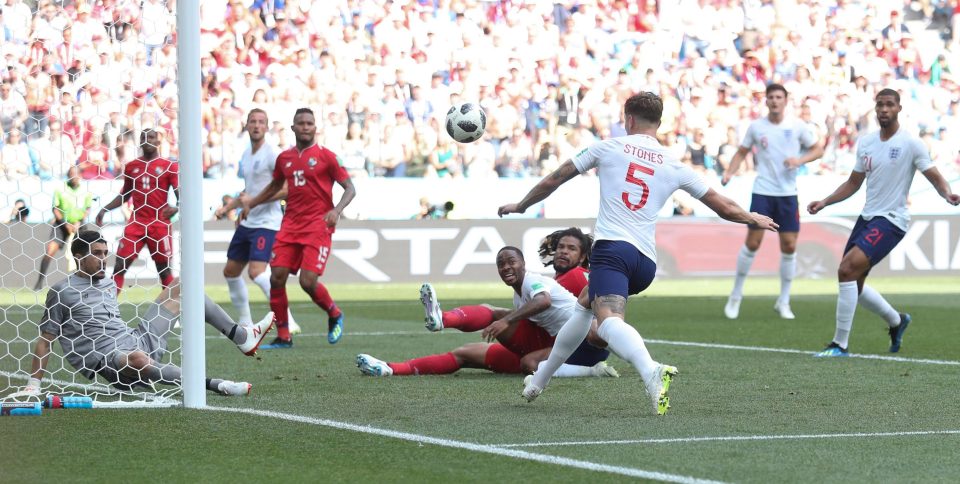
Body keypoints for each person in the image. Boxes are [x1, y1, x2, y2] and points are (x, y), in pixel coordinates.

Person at [499, 92, 777, 415]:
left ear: (628, 119)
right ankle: (539, 381)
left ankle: (651, 370)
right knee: (583, 306)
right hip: (644, 263)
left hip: (611, 252)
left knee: (606, 323)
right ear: (659, 123)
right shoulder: (674, 164)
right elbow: (722, 204)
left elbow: (555, 179)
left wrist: (521, 206)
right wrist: (752, 218)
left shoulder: (607, 147)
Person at [20, 231, 274, 398]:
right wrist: (34, 384)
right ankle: (217, 385)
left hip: (136, 339)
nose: (103, 259)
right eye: (96, 254)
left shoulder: (108, 284)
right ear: (78, 257)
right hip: (111, 360)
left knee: (184, 285)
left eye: (104, 253)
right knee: (139, 359)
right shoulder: (62, 291)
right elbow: (45, 339)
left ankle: (241, 336)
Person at [807, 89, 960, 357]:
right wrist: (825, 201)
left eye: (889, 105)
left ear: (899, 108)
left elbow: (933, 174)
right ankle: (897, 321)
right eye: (880, 105)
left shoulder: (911, 143)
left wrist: (947, 194)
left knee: (846, 270)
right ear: (875, 109)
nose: (884, 109)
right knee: (854, 281)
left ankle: (839, 345)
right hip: (867, 218)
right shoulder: (867, 142)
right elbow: (854, 183)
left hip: (892, 221)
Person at [356, 232, 617, 379]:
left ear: (583, 256)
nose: (562, 252)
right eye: (560, 247)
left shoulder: (571, 277)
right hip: (548, 343)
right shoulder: (543, 283)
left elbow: (585, 319)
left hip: (558, 349)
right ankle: (392, 367)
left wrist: (508, 320)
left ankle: (441, 320)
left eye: (571, 248)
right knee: (467, 350)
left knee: (497, 319)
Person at [242, 108, 356, 348]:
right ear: (293, 128)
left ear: (315, 128)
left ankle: (334, 313)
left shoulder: (327, 157)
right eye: (301, 123)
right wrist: (251, 203)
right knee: (276, 278)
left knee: (307, 282)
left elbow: (350, 188)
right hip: (290, 225)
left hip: (318, 226)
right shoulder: (285, 158)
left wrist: (336, 210)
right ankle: (284, 337)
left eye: (309, 123)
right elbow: (274, 186)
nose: (305, 127)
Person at [720, 83, 825, 320]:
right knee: (753, 243)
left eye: (779, 97)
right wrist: (730, 172)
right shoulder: (757, 127)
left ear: (786, 100)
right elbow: (741, 152)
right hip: (763, 192)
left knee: (789, 246)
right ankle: (736, 296)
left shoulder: (797, 126)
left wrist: (799, 160)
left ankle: (784, 300)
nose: (775, 101)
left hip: (788, 194)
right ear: (766, 101)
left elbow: (818, 150)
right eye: (771, 97)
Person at [215, 108, 300, 333]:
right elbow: (249, 190)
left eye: (261, 122)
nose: (256, 125)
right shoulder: (246, 154)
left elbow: (287, 189)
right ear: (247, 125)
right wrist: (229, 208)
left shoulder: (273, 154)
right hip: (249, 221)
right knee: (231, 272)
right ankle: (245, 322)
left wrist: (254, 202)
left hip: (268, 222)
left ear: (266, 126)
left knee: (256, 272)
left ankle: (287, 319)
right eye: (252, 121)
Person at [95, 128, 179, 294]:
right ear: (140, 142)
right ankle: (108, 310)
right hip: (136, 223)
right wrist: (104, 209)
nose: (147, 140)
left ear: (158, 142)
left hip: (159, 223)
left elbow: (180, 194)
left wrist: (176, 207)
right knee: (119, 266)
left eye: (151, 137)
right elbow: (125, 194)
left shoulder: (169, 166)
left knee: (164, 270)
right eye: (143, 137)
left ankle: (172, 314)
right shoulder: (132, 166)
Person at [34, 167, 94, 290]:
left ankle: (86, 282)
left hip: (79, 224)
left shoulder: (86, 191)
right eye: (72, 174)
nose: (75, 177)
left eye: (76, 174)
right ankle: (39, 283)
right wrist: (65, 224)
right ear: (68, 176)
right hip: (61, 225)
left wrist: (79, 222)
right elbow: (55, 209)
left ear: (81, 176)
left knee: (85, 253)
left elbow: (88, 209)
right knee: (50, 251)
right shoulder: (60, 189)